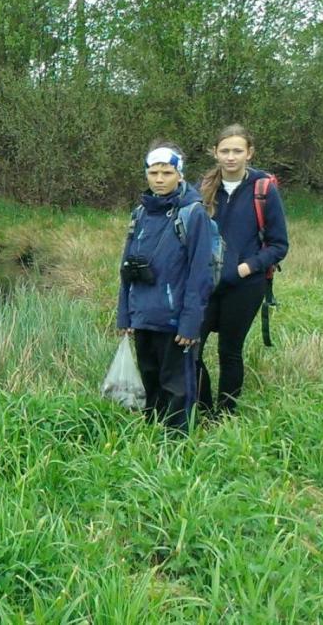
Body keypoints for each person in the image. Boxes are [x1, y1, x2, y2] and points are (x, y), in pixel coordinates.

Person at [116, 143, 215, 432]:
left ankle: (177, 446)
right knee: (150, 379)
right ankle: (151, 436)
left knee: (176, 387)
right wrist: (125, 315)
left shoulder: (193, 214)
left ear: (180, 175)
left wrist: (190, 323)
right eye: (153, 172)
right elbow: (127, 268)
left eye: (167, 173)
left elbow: (201, 274)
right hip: (143, 315)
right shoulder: (140, 213)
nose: (159, 179)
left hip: (174, 322)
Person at [195, 124, 289, 416]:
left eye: (237, 151)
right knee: (190, 349)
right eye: (225, 151)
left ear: (249, 153)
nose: (231, 157)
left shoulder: (263, 190)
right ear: (215, 153)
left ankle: (224, 415)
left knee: (229, 352)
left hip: (245, 285)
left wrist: (245, 268)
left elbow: (278, 245)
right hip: (204, 285)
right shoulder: (203, 189)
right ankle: (203, 409)